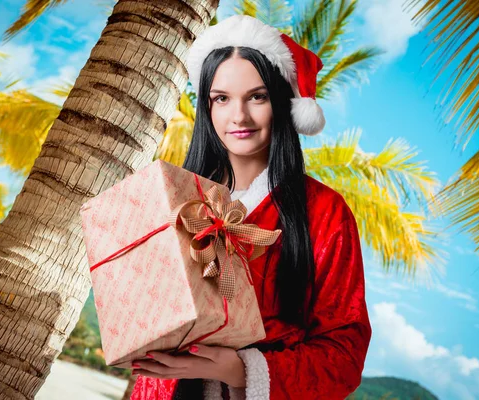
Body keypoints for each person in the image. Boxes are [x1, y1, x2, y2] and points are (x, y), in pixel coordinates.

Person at [130, 15, 372, 400]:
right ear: (207, 107)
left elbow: (344, 352)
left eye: (257, 97)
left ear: (282, 103)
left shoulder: (325, 212)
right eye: (221, 98)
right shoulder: (174, 198)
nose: (238, 116)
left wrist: (241, 370)